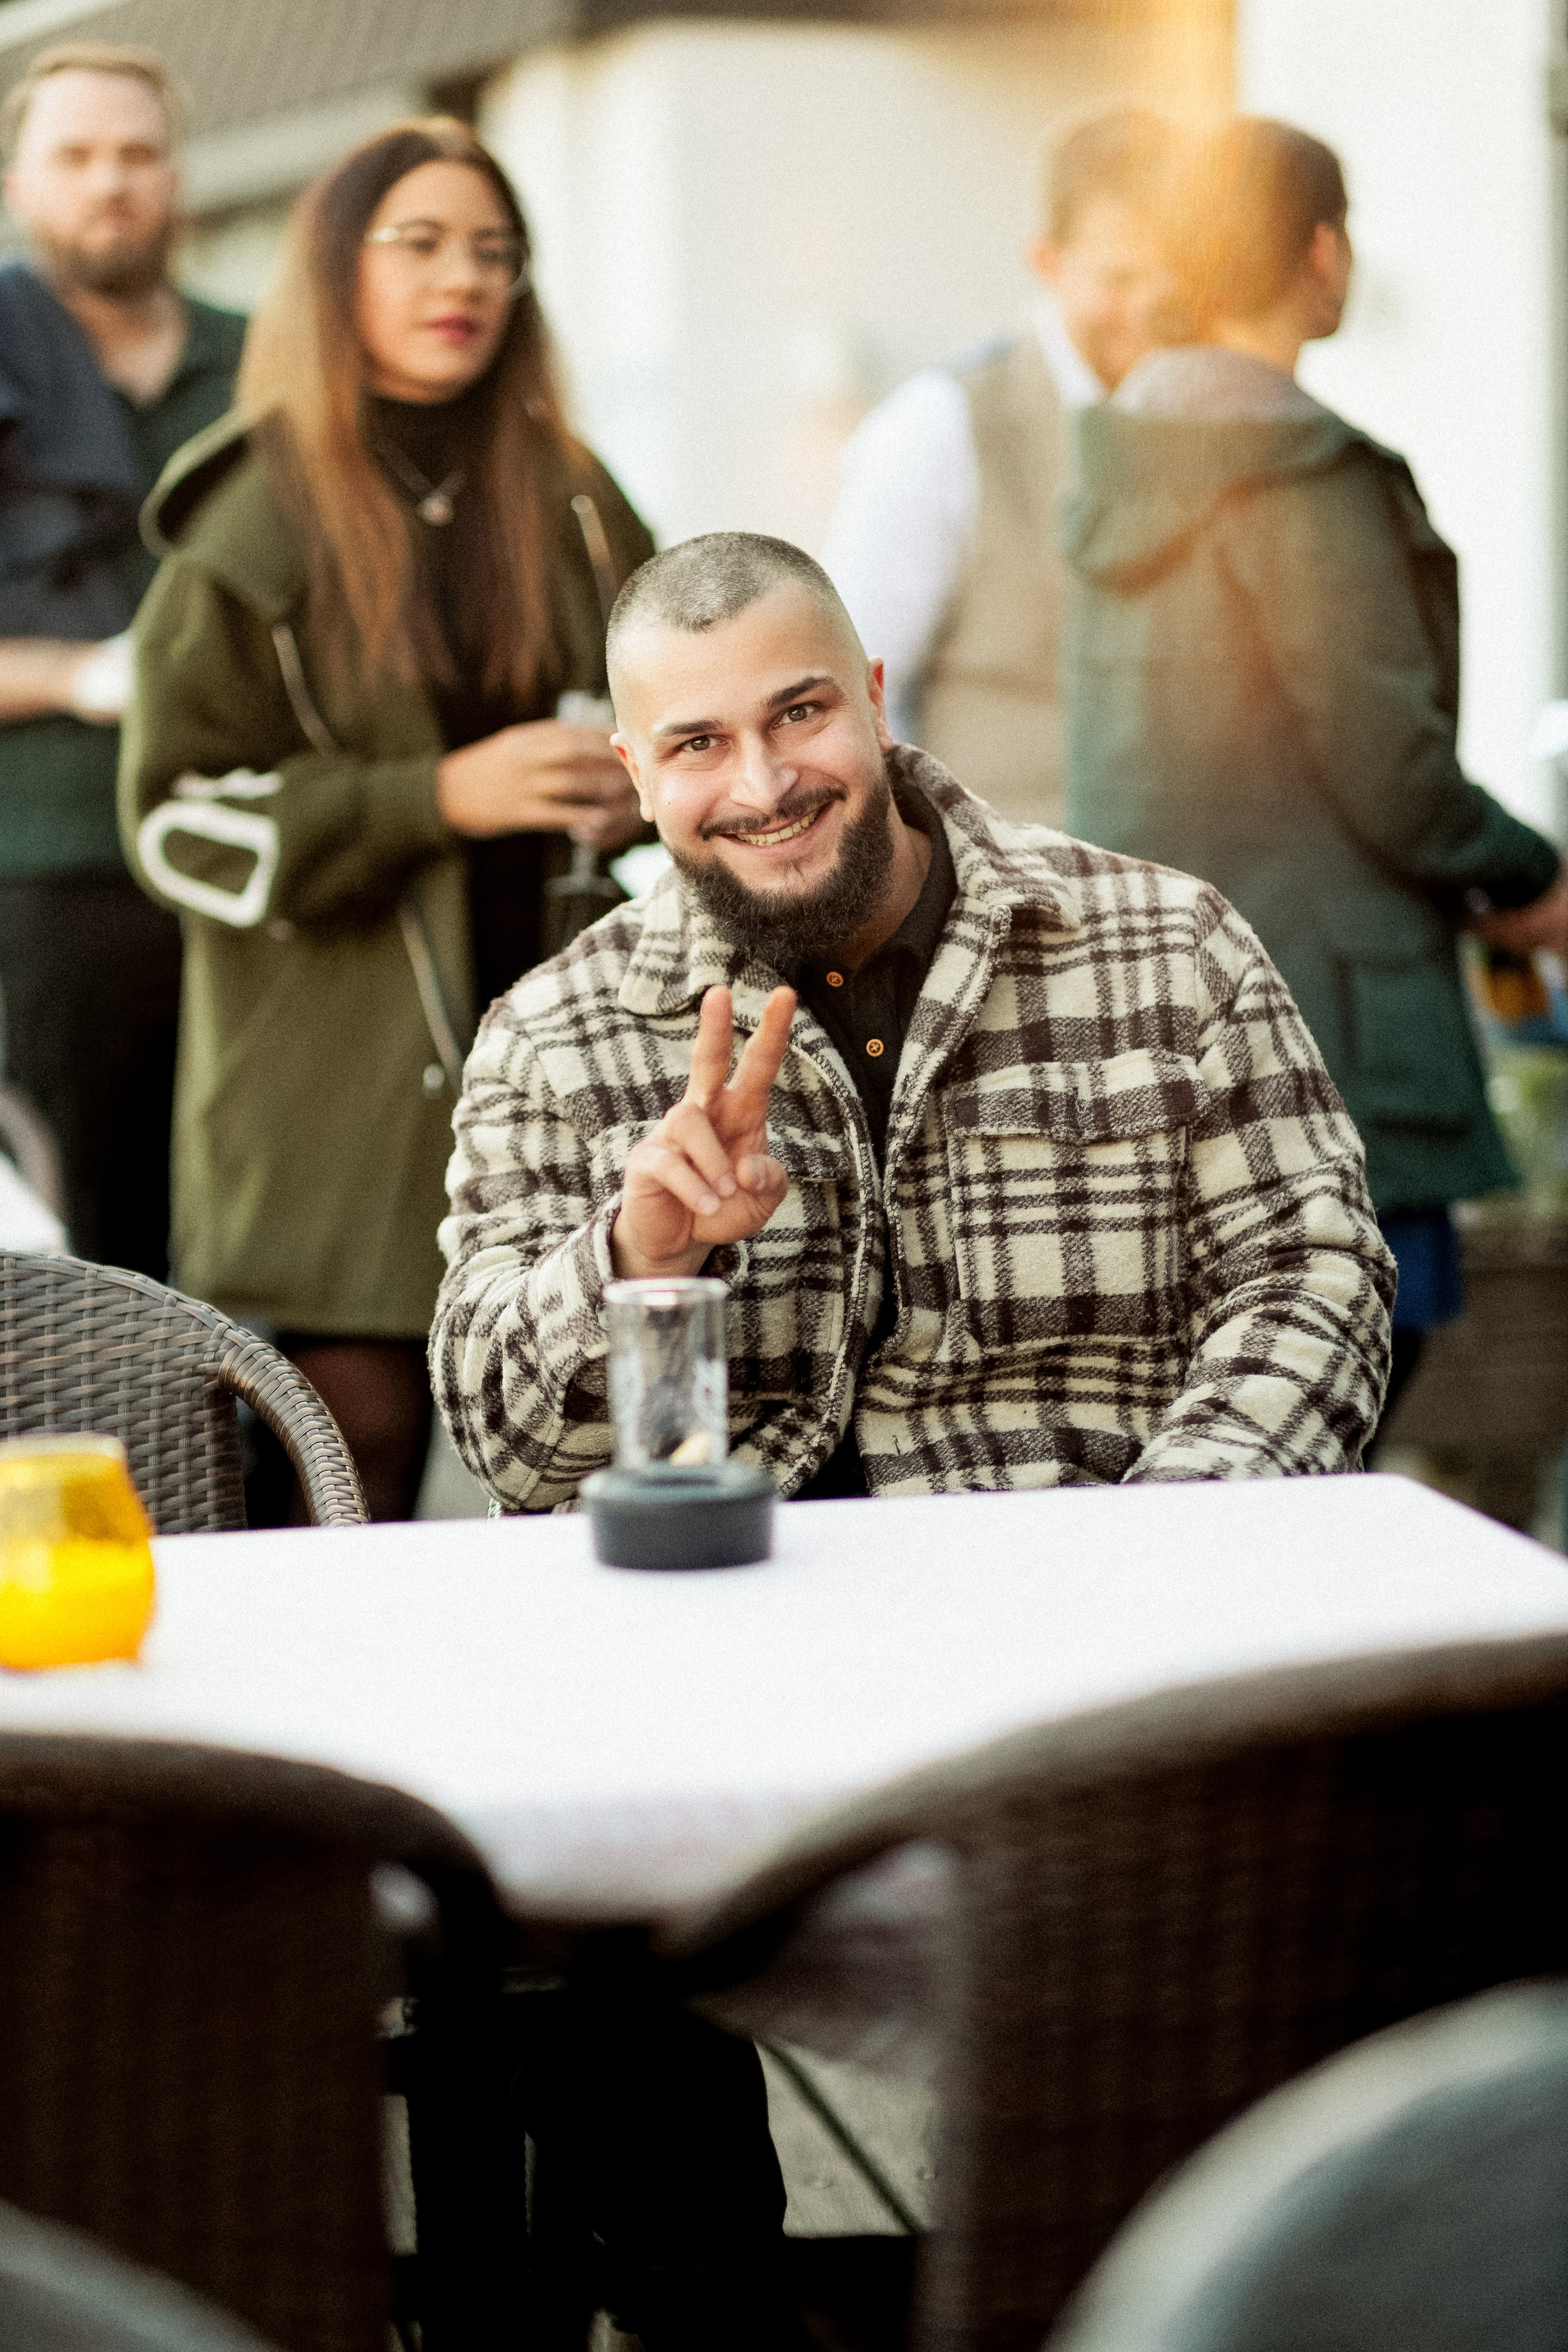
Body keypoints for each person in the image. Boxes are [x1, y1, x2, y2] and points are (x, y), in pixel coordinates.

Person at [432, 531, 1393, 1511]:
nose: (763, 786)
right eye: (699, 744)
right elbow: (503, 1446)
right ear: (636, 774)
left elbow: (1312, 1278)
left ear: (876, 701)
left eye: (799, 713)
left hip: (1090, 1588)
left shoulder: (1172, 947)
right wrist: (636, 1264)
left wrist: (1161, 1540)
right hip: (729, 1618)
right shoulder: (547, 1037)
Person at [119, 118, 652, 1519]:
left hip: (555, 1052)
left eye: (491, 250)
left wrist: (637, 776)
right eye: (417, 243)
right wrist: (433, 796)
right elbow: (173, 823)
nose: (459, 277)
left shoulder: (576, 497)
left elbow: (685, 699)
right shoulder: (249, 515)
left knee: (581, 1457)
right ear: (334, 271)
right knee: (347, 1459)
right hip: (326, 1087)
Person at [1062, 116, 1568, 1426]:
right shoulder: (1307, 478)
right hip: (1329, 1017)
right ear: (1320, 253)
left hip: (1160, 1011)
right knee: (1338, 1394)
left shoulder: (1126, 463)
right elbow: (1387, 762)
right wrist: (1529, 875)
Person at [0, 43, 244, 1278]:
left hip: (266, 867)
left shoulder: (264, 362)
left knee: (264, 1244)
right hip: (58, 878)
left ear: (177, 174)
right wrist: (76, 674)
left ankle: (268, 1479)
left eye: (137, 153)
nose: (111, 182)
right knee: (97, 1258)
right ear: (17, 183)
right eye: (76, 156)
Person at [820, 107, 1179, 829]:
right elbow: (849, 699)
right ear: (1046, 262)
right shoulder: (937, 427)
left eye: (1173, 278)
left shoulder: (1206, 415)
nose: (1146, 309)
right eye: (1118, 277)